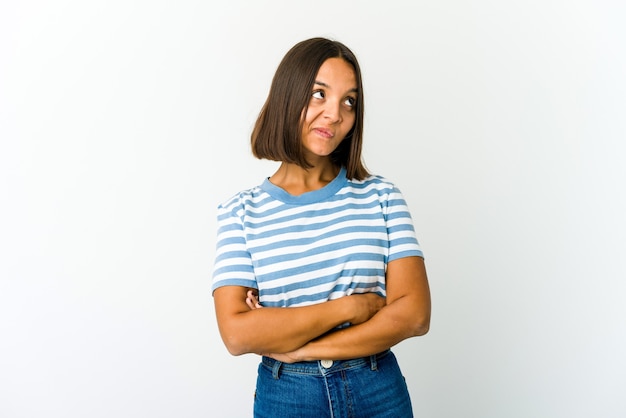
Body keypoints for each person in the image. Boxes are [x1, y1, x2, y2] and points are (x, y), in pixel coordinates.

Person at [212, 37, 431, 418]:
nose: (335, 114)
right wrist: (352, 306)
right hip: (287, 397)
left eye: (349, 101)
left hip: (377, 390)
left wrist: (298, 345)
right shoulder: (240, 212)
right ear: (288, 95)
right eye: (319, 94)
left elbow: (414, 315)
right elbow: (237, 334)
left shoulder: (382, 197)